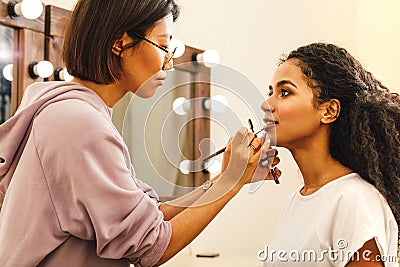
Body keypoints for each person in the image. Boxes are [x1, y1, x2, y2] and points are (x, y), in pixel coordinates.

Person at [0, 1, 280, 266]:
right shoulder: (79, 124)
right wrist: (230, 182)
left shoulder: (69, 111)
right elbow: (152, 247)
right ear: (120, 42)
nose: (169, 63)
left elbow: (149, 215)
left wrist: (223, 179)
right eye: (162, 45)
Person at [260, 42, 399, 266]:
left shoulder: (354, 200)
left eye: (284, 92)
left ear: (329, 110)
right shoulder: (295, 201)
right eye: (271, 92)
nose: (267, 104)